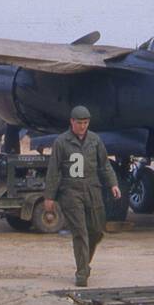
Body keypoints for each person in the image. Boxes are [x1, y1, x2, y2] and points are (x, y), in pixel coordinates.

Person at [43, 106, 120, 286]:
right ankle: (82, 273)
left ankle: (84, 262)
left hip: (92, 189)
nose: (82, 126)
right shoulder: (61, 142)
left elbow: (105, 165)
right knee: (80, 232)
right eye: (79, 123)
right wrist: (49, 197)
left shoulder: (95, 140)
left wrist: (113, 184)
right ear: (72, 122)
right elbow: (53, 171)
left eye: (85, 123)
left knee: (96, 231)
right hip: (70, 191)